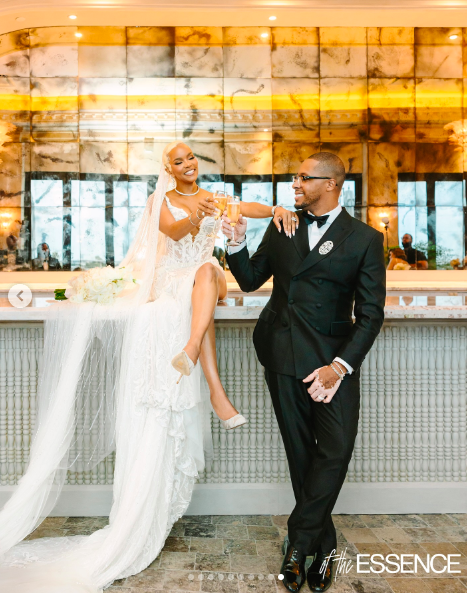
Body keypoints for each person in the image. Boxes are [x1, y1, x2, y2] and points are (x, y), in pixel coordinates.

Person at [0, 141, 295, 592]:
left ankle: (194, 352)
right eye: (179, 161)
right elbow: (174, 234)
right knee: (194, 293)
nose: (188, 164)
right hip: (175, 284)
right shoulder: (162, 201)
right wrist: (199, 215)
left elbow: (246, 207)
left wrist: (274, 207)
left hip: (205, 277)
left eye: (192, 158)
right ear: (168, 168)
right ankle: (212, 384)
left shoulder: (214, 195)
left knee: (205, 274)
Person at [223, 152, 386, 593]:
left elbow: (370, 315)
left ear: (330, 184)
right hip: (283, 353)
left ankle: (299, 543)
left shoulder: (366, 239)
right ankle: (324, 546)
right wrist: (236, 242)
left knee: (334, 451)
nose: (295, 183)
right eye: (295, 175)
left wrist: (338, 368)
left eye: (303, 177)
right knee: (301, 453)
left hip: (333, 363)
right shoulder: (283, 225)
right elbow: (250, 280)